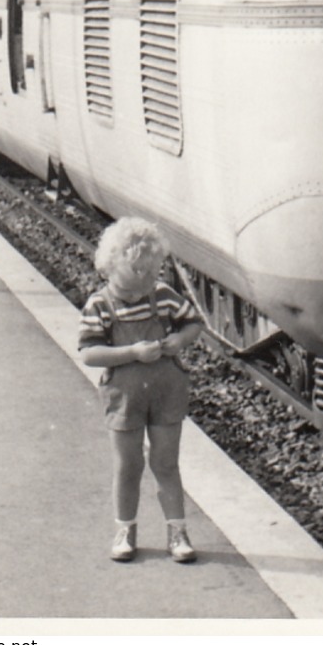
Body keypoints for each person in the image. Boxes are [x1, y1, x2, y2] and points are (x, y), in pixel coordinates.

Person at [79, 217, 203, 563]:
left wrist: (180, 339)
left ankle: (177, 532)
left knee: (166, 463)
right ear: (111, 267)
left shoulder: (161, 295)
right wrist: (132, 353)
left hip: (166, 393)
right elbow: (89, 352)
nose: (149, 279)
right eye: (139, 271)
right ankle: (126, 530)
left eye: (154, 271)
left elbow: (193, 323)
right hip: (124, 397)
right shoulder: (99, 306)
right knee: (128, 465)